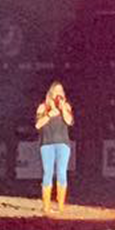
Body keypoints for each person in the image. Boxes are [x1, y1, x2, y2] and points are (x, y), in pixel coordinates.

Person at [34, 81, 74, 214]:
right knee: (48, 173)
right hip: (47, 144)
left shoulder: (66, 106)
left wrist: (63, 109)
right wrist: (49, 114)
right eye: (56, 90)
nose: (59, 93)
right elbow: (38, 125)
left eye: (61, 91)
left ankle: (60, 206)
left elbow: (69, 121)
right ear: (51, 93)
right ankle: (46, 206)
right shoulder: (43, 107)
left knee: (62, 172)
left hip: (63, 144)